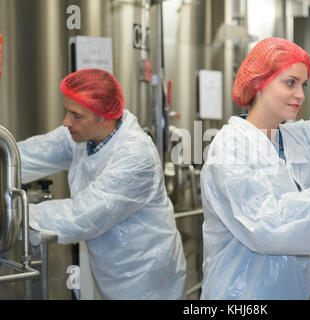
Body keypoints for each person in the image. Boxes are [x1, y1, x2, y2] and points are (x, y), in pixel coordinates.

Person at [200, 5, 310, 299]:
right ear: (259, 82)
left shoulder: (298, 138)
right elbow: (268, 224)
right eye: (290, 83)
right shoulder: (229, 148)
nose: (301, 95)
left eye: (303, 84)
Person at [18, 69, 186, 300]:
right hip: (110, 270)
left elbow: (81, 215)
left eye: (75, 115)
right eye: (67, 111)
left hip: (145, 278)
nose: (66, 121)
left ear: (105, 117)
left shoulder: (136, 156)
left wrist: (14, 215)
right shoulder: (82, 135)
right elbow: (28, 155)